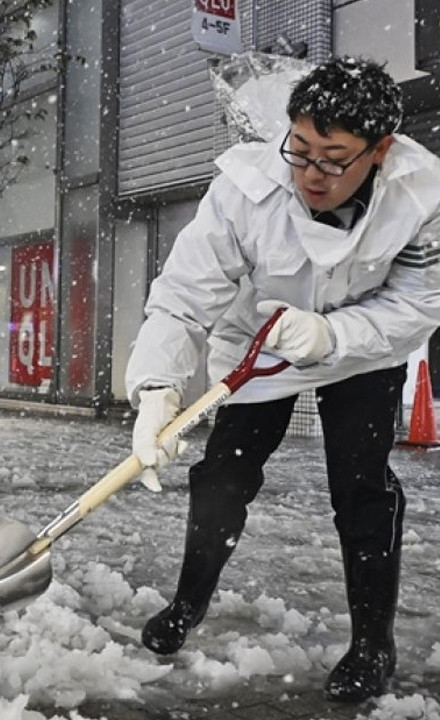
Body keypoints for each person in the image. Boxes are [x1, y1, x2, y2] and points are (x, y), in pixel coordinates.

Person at [126, 57, 440, 703]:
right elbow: (185, 295)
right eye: (299, 151)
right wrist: (157, 390)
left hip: (362, 350)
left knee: (361, 487)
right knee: (223, 476)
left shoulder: (424, 196)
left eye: (334, 158)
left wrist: (334, 336)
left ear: (380, 150)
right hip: (258, 346)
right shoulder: (246, 186)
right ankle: (187, 604)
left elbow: (418, 303)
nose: (311, 175)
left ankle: (372, 644)